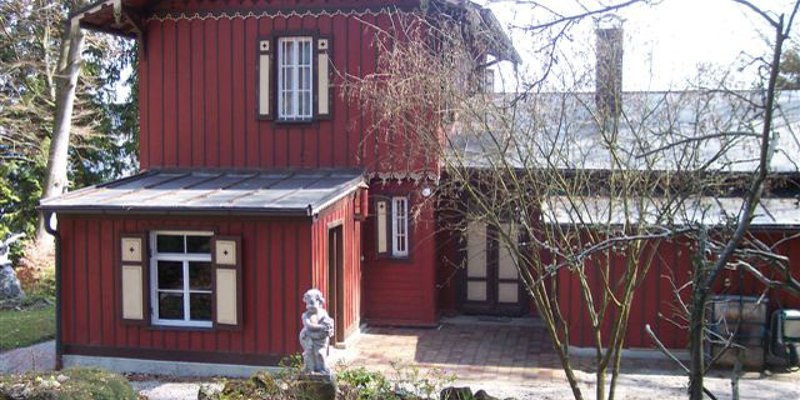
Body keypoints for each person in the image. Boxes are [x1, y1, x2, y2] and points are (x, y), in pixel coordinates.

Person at [299, 288, 334, 375]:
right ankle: (310, 369)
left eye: (311, 303)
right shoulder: (306, 315)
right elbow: (309, 326)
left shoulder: (323, 313)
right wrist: (321, 327)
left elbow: (328, 324)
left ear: (320, 302)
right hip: (308, 337)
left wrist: (328, 327)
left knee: (320, 353)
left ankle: (322, 368)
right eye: (307, 304)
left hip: (321, 339)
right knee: (309, 353)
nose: (309, 306)